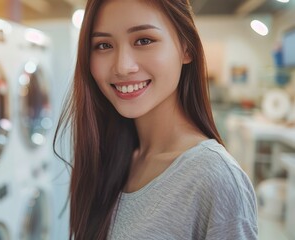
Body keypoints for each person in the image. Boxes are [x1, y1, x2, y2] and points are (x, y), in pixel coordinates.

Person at [53, 0, 258, 239]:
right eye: (104, 45)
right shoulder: (112, 157)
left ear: (186, 48)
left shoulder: (216, 178)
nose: (122, 66)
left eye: (144, 40)